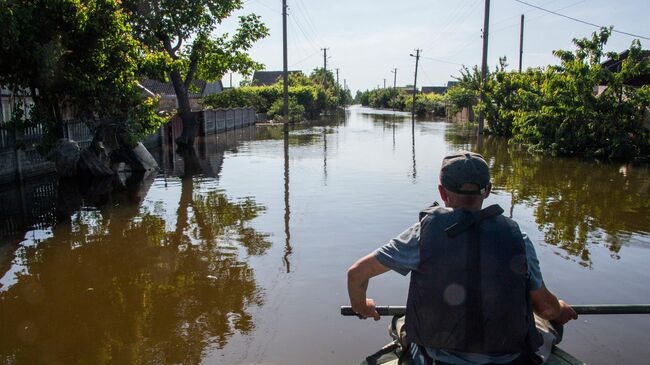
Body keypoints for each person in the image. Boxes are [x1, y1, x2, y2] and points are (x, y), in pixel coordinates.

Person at [347, 151, 578, 365]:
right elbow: (545, 308)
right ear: (487, 190)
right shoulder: (519, 238)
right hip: (508, 359)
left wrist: (362, 306)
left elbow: (357, 274)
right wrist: (559, 309)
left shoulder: (422, 234)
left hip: (438, 359)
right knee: (546, 323)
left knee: (402, 321)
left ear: (442, 192)